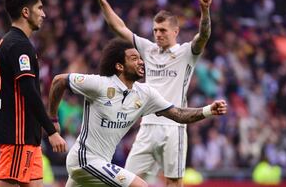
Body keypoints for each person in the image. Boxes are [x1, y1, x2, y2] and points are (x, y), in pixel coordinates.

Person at [48, 38, 227, 187]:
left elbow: (178, 114)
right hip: (84, 160)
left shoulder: (145, 93)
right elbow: (58, 81)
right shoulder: (100, 85)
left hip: (100, 163)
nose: (141, 61)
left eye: (140, 58)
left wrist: (208, 110)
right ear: (119, 66)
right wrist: (53, 120)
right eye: (134, 58)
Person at [93, 0, 212, 186]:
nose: (157, 34)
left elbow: (203, 36)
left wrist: (205, 11)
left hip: (174, 126)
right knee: (126, 179)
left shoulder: (186, 53)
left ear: (176, 31)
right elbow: (119, 27)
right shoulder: (148, 49)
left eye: (163, 30)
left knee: (173, 182)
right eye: (155, 30)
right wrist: (103, 1)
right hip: (147, 125)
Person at [0, 0, 67, 187]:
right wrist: (51, 131)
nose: (44, 14)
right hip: (18, 137)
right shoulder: (18, 45)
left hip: (29, 139)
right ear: (26, 12)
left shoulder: (7, 43)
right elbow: (28, 91)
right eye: (40, 8)